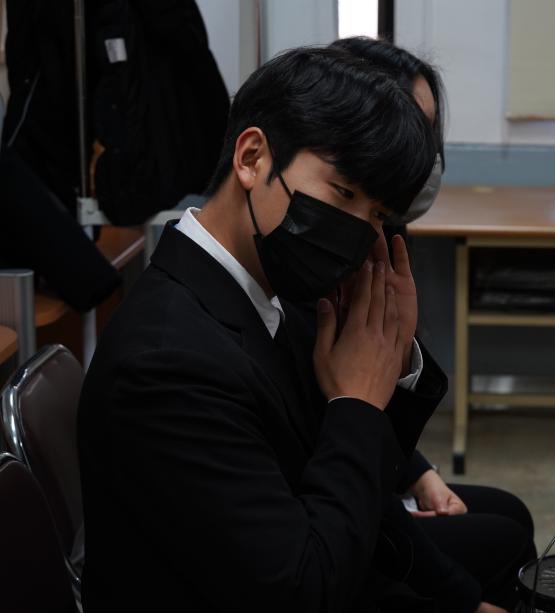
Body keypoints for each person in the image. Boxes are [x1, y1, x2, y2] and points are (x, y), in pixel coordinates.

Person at [78, 47, 502, 613]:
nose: (357, 232)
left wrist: (393, 358)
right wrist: (356, 403)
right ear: (252, 157)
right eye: (343, 193)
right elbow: (301, 588)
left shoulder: (270, 289)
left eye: (377, 215)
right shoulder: (166, 364)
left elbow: (358, 489)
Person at [331, 36, 537, 611]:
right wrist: (464, 600)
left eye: (427, 133)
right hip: (341, 514)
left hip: (363, 485)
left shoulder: (381, 237)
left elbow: (377, 413)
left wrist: (417, 474)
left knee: (508, 514)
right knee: (504, 538)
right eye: (405, 127)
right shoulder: (324, 252)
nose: (420, 155)